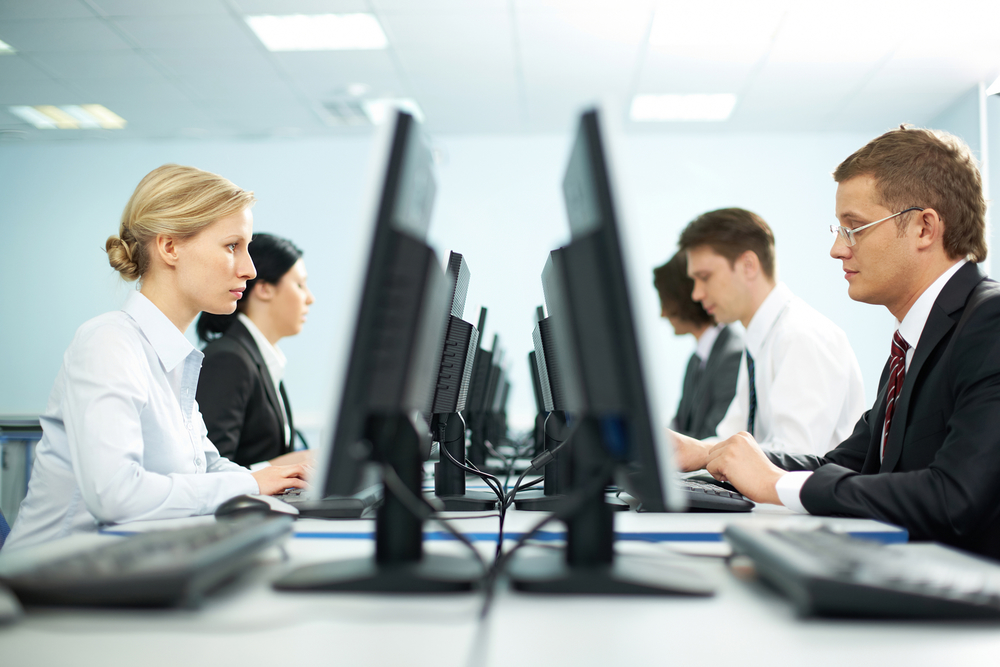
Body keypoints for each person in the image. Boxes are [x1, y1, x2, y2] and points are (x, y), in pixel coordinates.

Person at [675, 126, 1000, 559]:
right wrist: (712, 453)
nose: (837, 249)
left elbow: (953, 496)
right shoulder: (913, 342)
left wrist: (775, 484)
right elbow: (843, 465)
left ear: (925, 228)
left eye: (855, 228)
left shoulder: (989, 322)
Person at [5, 164, 308, 551]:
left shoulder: (173, 356)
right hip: (49, 580)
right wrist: (251, 483)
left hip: (123, 563)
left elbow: (208, 466)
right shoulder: (109, 343)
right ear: (169, 247)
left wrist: (284, 482)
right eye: (232, 246)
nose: (248, 269)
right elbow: (116, 495)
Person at [672, 208, 865, 456]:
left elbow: (794, 459)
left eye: (705, 277)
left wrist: (701, 454)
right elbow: (729, 438)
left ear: (748, 265)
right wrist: (682, 448)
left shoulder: (801, 336)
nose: (696, 294)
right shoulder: (759, 342)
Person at [196, 233, 314, 469]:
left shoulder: (261, 359)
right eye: (300, 285)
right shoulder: (229, 360)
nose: (309, 298)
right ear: (264, 289)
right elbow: (209, 472)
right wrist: (282, 468)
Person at [653, 251, 743, 439]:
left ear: (683, 298)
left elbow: (714, 440)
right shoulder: (696, 360)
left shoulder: (732, 356)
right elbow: (679, 426)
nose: (662, 313)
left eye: (665, 300)